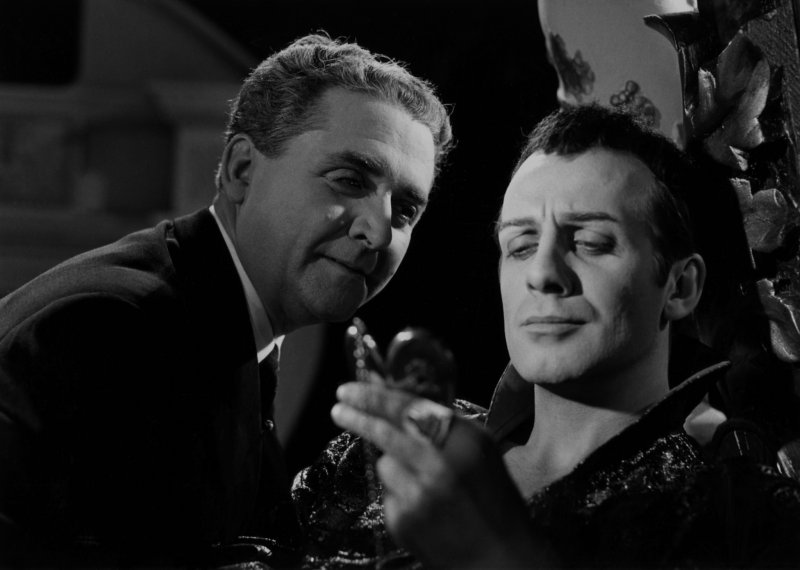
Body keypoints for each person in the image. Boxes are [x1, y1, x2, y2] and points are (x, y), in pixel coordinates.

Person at [0, 34, 451, 567]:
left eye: (405, 210)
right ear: (242, 170)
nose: (378, 231)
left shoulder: (210, 320)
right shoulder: (114, 330)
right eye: (349, 180)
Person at [293, 105, 800, 568]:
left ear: (680, 287)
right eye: (520, 245)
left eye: (591, 242)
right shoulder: (382, 457)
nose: (542, 274)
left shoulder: (737, 519)